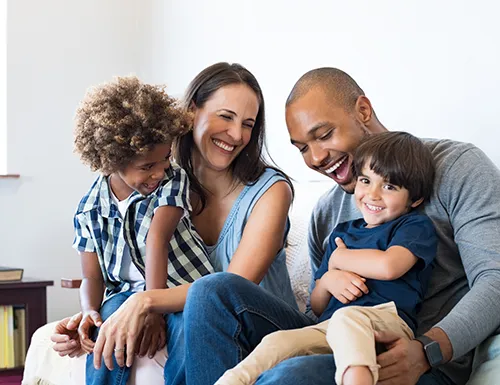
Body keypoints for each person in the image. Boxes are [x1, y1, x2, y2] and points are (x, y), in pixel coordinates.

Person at [181, 67, 500, 385]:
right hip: (338, 343)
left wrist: (426, 349)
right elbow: (320, 314)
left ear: (363, 111)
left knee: (290, 375)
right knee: (211, 292)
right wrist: (327, 283)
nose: (316, 157)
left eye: (323, 135)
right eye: (302, 148)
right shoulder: (326, 213)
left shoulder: (456, 166)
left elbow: (495, 279)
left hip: (419, 363)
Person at [47, 62, 296, 384]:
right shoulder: (155, 180)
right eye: (225, 116)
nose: (236, 135)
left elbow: (229, 290)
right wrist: (93, 317)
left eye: (248, 124)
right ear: (191, 112)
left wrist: (147, 301)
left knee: (206, 298)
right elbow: (119, 267)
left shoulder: (271, 191)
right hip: (188, 311)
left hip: (256, 321)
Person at [215, 131, 437, 385]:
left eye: (389, 187)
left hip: (387, 323)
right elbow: (318, 305)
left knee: (348, 318)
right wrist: (329, 279)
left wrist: (340, 260)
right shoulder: (342, 233)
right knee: (278, 341)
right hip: (332, 326)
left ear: (415, 199)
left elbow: (389, 266)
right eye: (365, 180)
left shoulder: (413, 226)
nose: (373, 194)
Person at [71, 76, 214, 385]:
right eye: (147, 166)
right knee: (107, 325)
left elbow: (157, 239)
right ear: (114, 160)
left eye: (165, 159)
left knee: (191, 328)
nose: (159, 173)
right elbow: (92, 277)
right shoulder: (89, 208)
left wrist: (152, 309)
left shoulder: (173, 180)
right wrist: (88, 311)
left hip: (178, 289)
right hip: (123, 295)